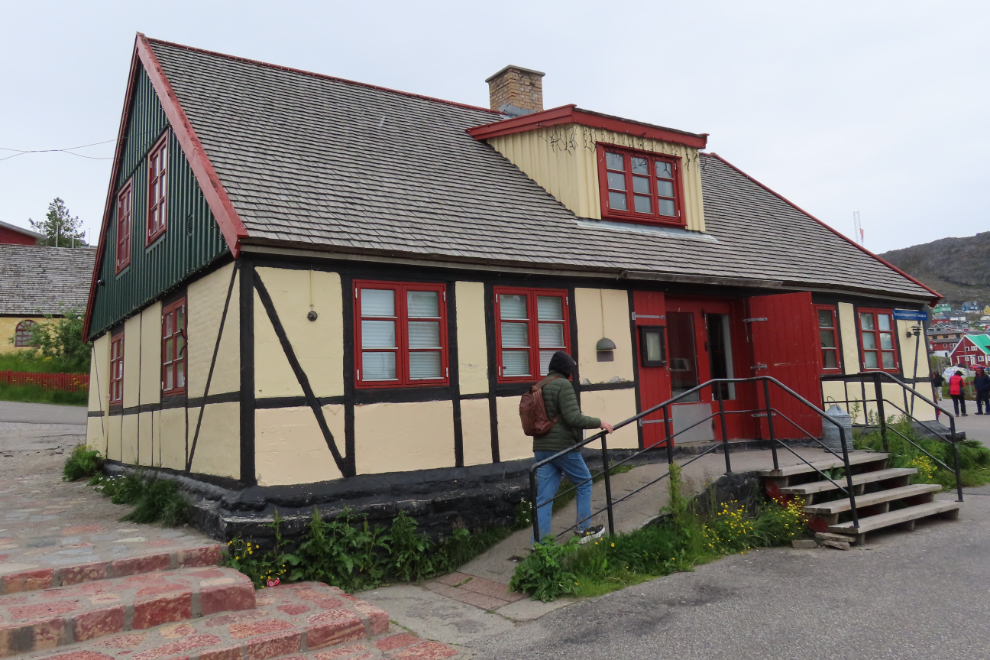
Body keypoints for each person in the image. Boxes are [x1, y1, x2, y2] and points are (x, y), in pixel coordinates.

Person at [532, 351, 614, 545]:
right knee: (584, 482)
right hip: (562, 448)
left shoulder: (539, 386)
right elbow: (573, 418)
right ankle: (584, 529)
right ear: (566, 370)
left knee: (544, 498)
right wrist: (599, 422)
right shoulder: (563, 385)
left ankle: (540, 543)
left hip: (541, 447)